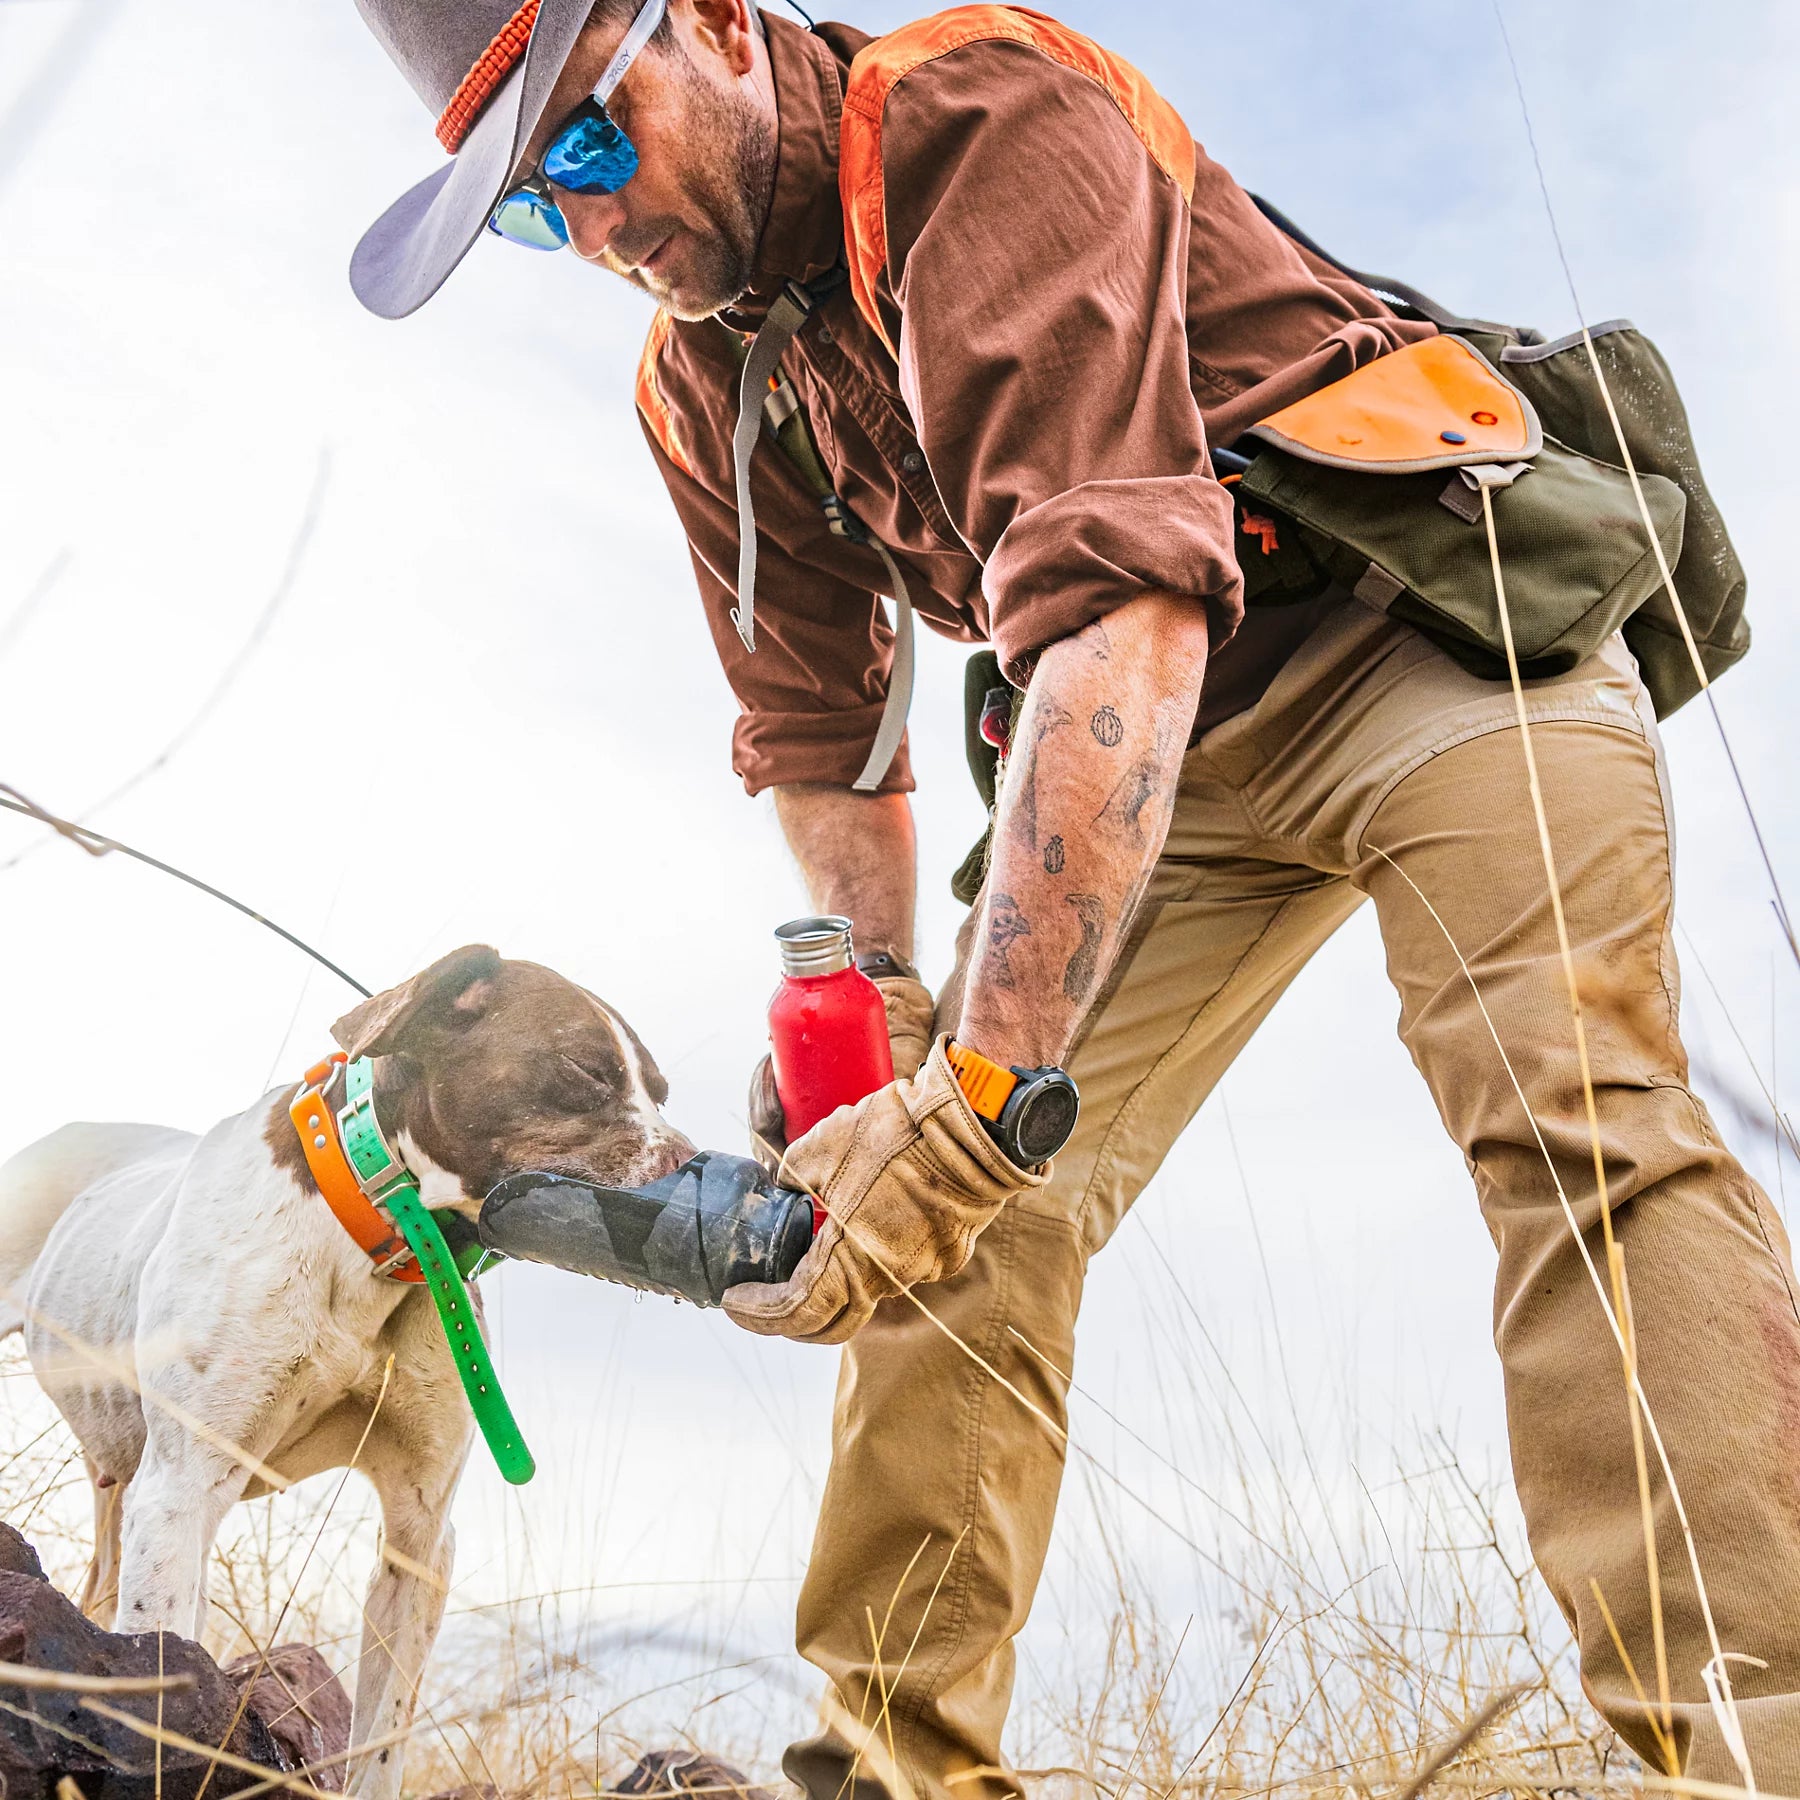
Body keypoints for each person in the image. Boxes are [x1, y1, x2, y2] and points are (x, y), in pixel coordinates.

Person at [345, 0, 1800, 1792]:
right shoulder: (694, 374)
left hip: (1427, 626)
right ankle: (893, 1776)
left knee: (1574, 1117)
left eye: (584, 142)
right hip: (1156, 769)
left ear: (713, 22)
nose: (584, 225)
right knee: (955, 1227)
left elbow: (1121, 607)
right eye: (520, 208)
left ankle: (1759, 1742)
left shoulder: (975, 111)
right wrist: (877, 1033)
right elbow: (821, 736)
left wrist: (961, 1120)